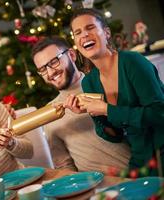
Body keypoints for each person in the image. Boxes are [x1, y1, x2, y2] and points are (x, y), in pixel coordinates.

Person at [68, 8, 164, 173]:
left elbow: (159, 114)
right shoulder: (89, 83)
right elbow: (115, 135)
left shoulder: (133, 62)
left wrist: (106, 109)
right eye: (77, 32)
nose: (84, 35)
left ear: (106, 33)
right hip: (140, 159)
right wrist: (91, 112)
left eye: (90, 28)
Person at [31, 36, 130, 173]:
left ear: (72, 55)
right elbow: (64, 166)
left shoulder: (105, 83)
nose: (50, 72)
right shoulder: (50, 114)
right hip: (95, 188)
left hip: (135, 175)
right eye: (42, 69)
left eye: (54, 62)